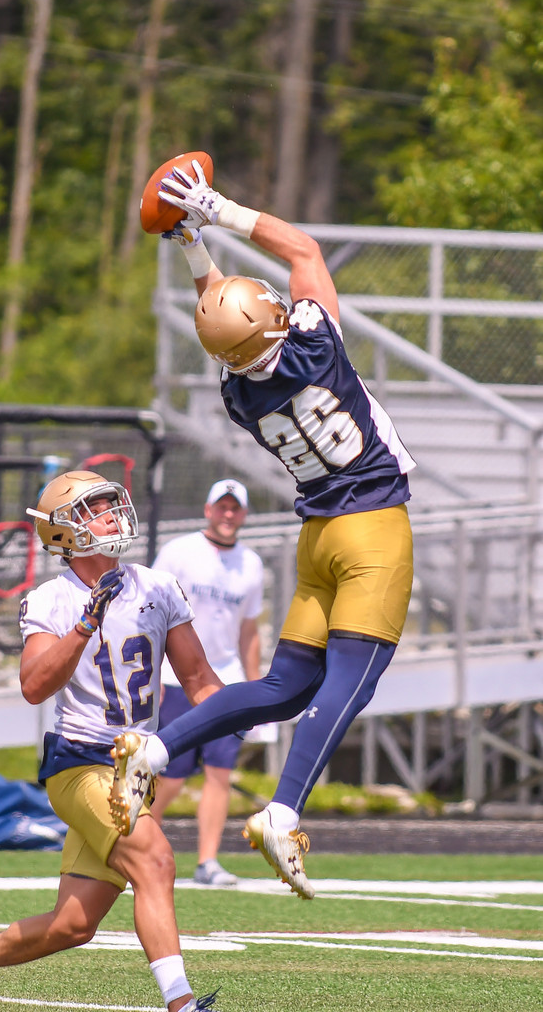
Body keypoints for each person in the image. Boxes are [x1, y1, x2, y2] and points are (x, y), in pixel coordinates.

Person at [109, 161, 415, 901]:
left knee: (281, 686)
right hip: (371, 530)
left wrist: (191, 248)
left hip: (316, 539)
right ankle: (282, 810)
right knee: (351, 680)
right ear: (274, 317)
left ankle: (154, 746)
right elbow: (302, 252)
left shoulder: (235, 390)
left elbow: (222, 322)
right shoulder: (315, 345)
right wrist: (215, 211)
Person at [0, 469, 222, 1012]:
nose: (113, 515)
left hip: (134, 771)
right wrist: (83, 625)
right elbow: (33, 686)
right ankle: (182, 1005)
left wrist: (262, 708)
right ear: (65, 531)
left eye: (111, 504)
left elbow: (198, 680)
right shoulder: (51, 600)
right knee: (156, 861)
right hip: (80, 763)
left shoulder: (158, 586)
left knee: (73, 925)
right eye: (96, 508)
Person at [152, 477, 264, 887]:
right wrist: (152, 675)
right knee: (172, 772)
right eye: (223, 506)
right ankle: (134, 844)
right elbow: (151, 614)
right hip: (177, 677)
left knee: (220, 771)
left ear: (245, 514)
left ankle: (208, 861)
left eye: (236, 508)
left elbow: (249, 631)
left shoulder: (251, 564)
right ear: (208, 509)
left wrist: (257, 692)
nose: (228, 514)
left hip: (226, 680)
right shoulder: (180, 552)